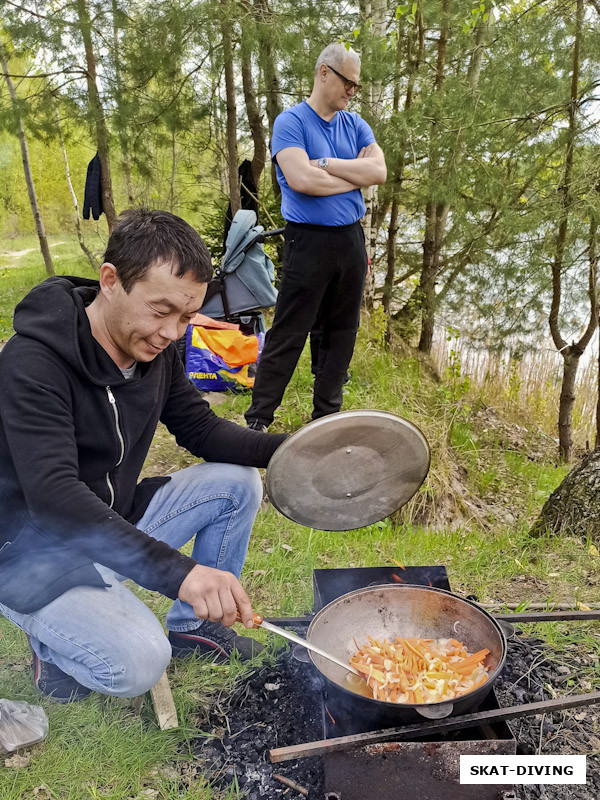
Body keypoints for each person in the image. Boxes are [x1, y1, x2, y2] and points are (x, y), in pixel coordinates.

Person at [0, 209, 287, 704]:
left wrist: (294, 450)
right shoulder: (32, 364)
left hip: (112, 520)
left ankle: (194, 630)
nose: (173, 333)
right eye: (161, 311)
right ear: (110, 280)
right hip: (34, 559)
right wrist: (180, 574)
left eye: (186, 316)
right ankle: (51, 649)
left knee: (237, 483)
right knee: (137, 665)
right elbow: (55, 497)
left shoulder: (156, 349)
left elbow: (200, 428)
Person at [245, 43, 386, 432]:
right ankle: (258, 421)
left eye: (357, 86)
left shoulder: (355, 125)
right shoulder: (291, 123)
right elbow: (301, 180)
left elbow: (377, 172)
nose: (352, 92)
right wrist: (349, 177)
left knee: (342, 332)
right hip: (307, 242)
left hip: (350, 243)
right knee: (290, 330)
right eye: (348, 83)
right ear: (324, 72)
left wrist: (325, 164)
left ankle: (326, 419)